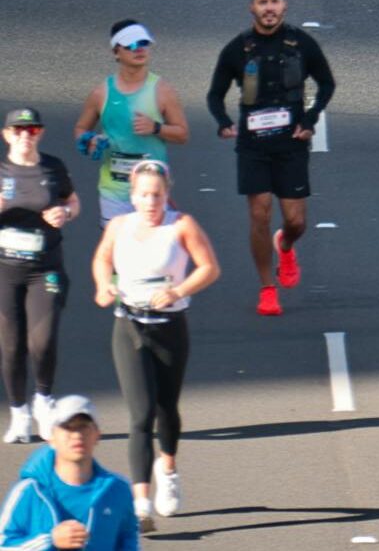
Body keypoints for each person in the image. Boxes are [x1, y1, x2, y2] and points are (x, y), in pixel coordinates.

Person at [91, 161, 219, 525]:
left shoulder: (181, 225)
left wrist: (178, 290)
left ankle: (169, 470)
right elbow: (101, 258)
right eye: (144, 195)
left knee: (166, 409)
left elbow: (209, 268)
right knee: (141, 414)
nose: (150, 202)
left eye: (157, 195)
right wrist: (104, 286)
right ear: (132, 196)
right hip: (129, 326)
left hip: (170, 326)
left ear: (166, 195)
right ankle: (141, 502)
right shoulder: (120, 226)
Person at [206, 0, 333, 316]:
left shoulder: (301, 43)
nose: (269, 8)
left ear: (285, 6)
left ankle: (286, 245)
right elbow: (214, 94)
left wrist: (309, 118)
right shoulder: (237, 49)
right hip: (253, 145)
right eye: (262, 3)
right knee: (259, 211)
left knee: (296, 220)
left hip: (290, 144)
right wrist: (223, 122)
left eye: (274, 1)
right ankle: (267, 288)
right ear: (252, 8)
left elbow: (327, 82)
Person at [0, 111, 79, 446]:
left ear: (40, 133)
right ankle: (19, 414)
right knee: (11, 344)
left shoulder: (53, 167)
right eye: (19, 129)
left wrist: (66, 213)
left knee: (42, 341)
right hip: (5, 269)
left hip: (44, 267)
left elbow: (73, 202)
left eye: (31, 129)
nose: (25, 135)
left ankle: (43, 401)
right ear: (7, 134)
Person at [75, 23, 187, 229]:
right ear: (116, 51)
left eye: (144, 43)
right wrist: (89, 141)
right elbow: (81, 128)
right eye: (131, 44)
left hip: (153, 191)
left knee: (154, 256)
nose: (139, 49)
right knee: (119, 254)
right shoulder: (101, 93)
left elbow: (182, 134)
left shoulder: (163, 90)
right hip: (114, 192)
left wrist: (156, 128)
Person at [0, 395, 139, 550]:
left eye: (84, 426)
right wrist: (50, 540)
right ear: (51, 437)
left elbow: (128, 539)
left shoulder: (118, 490)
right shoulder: (29, 490)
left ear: (97, 435)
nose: (77, 435)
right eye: (68, 427)